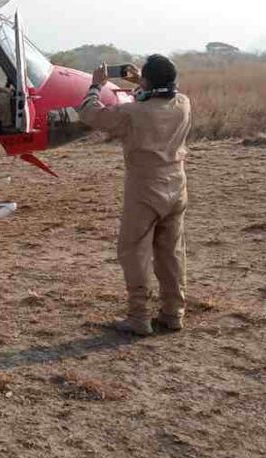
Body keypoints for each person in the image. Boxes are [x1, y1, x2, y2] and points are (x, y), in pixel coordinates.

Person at [79, 55, 191, 335]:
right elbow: (156, 97)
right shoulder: (183, 104)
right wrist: (141, 81)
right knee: (171, 252)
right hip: (176, 185)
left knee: (134, 250)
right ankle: (173, 312)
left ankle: (139, 317)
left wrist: (95, 86)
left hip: (144, 187)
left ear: (150, 82)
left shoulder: (133, 113)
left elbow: (90, 113)